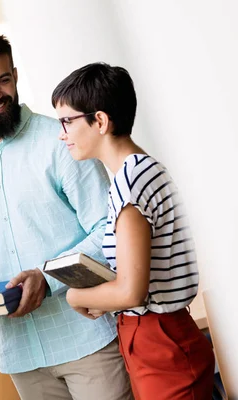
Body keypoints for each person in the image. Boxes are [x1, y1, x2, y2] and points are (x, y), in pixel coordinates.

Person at [0, 28, 133, 400]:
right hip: (22, 357)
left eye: (3, 80)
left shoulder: (61, 142)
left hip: (87, 340)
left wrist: (47, 279)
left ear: (15, 77)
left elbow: (107, 227)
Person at [52, 62, 215, 399]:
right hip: (158, 339)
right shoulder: (141, 171)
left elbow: (131, 292)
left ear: (99, 121)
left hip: (160, 342)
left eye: (67, 121)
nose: (61, 133)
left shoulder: (131, 182)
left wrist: (76, 296)